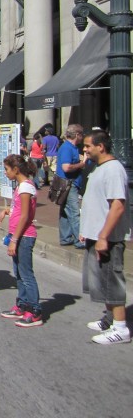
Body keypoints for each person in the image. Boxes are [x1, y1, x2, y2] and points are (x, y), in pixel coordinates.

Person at [79, 130, 131, 344]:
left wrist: (103, 236)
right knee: (102, 280)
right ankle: (110, 318)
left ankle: (121, 328)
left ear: (101, 147)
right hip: (95, 235)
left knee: (112, 280)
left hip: (108, 238)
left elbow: (117, 206)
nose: (84, 149)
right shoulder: (99, 168)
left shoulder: (113, 170)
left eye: (88, 146)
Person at [0, 154, 42, 327]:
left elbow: (25, 216)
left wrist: (14, 239)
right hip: (18, 235)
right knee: (19, 274)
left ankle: (35, 310)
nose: (5, 173)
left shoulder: (25, 188)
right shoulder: (22, 187)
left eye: (7, 169)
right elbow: (18, 209)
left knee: (26, 274)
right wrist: (6, 211)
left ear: (16, 169)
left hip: (24, 236)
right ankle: (22, 305)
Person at [56, 124, 85, 248]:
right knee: (74, 211)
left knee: (65, 211)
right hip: (68, 183)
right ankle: (80, 240)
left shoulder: (72, 147)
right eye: (82, 134)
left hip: (68, 183)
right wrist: (81, 164)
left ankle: (65, 237)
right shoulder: (67, 148)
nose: (83, 137)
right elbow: (66, 167)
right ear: (77, 135)